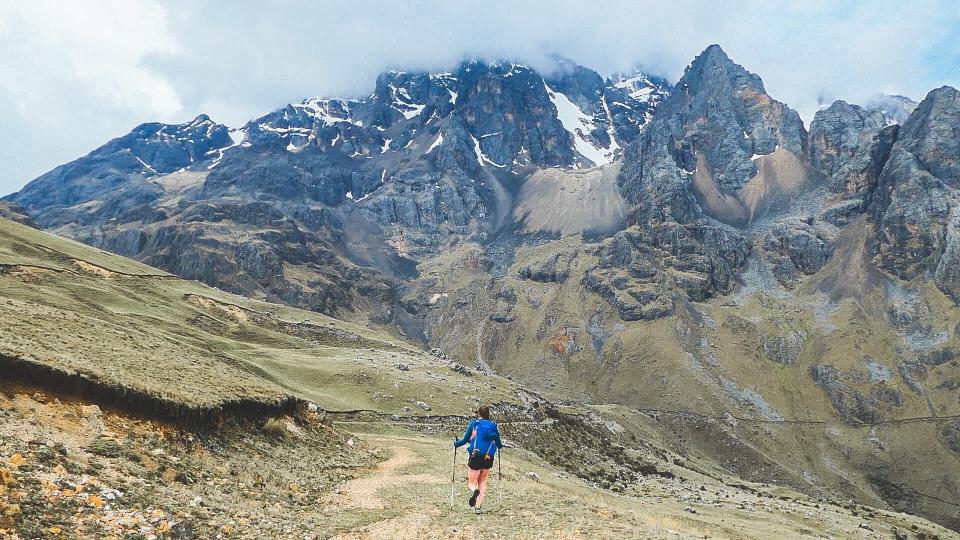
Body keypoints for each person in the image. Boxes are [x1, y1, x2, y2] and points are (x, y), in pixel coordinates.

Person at [453, 405, 503, 514]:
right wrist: (500, 446)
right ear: (488, 414)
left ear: (479, 414)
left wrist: (455, 444)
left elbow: (465, 440)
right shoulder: (493, 426)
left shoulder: (474, 425)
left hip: (475, 455)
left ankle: (474, 491)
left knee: (472, 482)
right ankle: (478, 508)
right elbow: (499, 444)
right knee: (482, 481)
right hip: (488, 457)